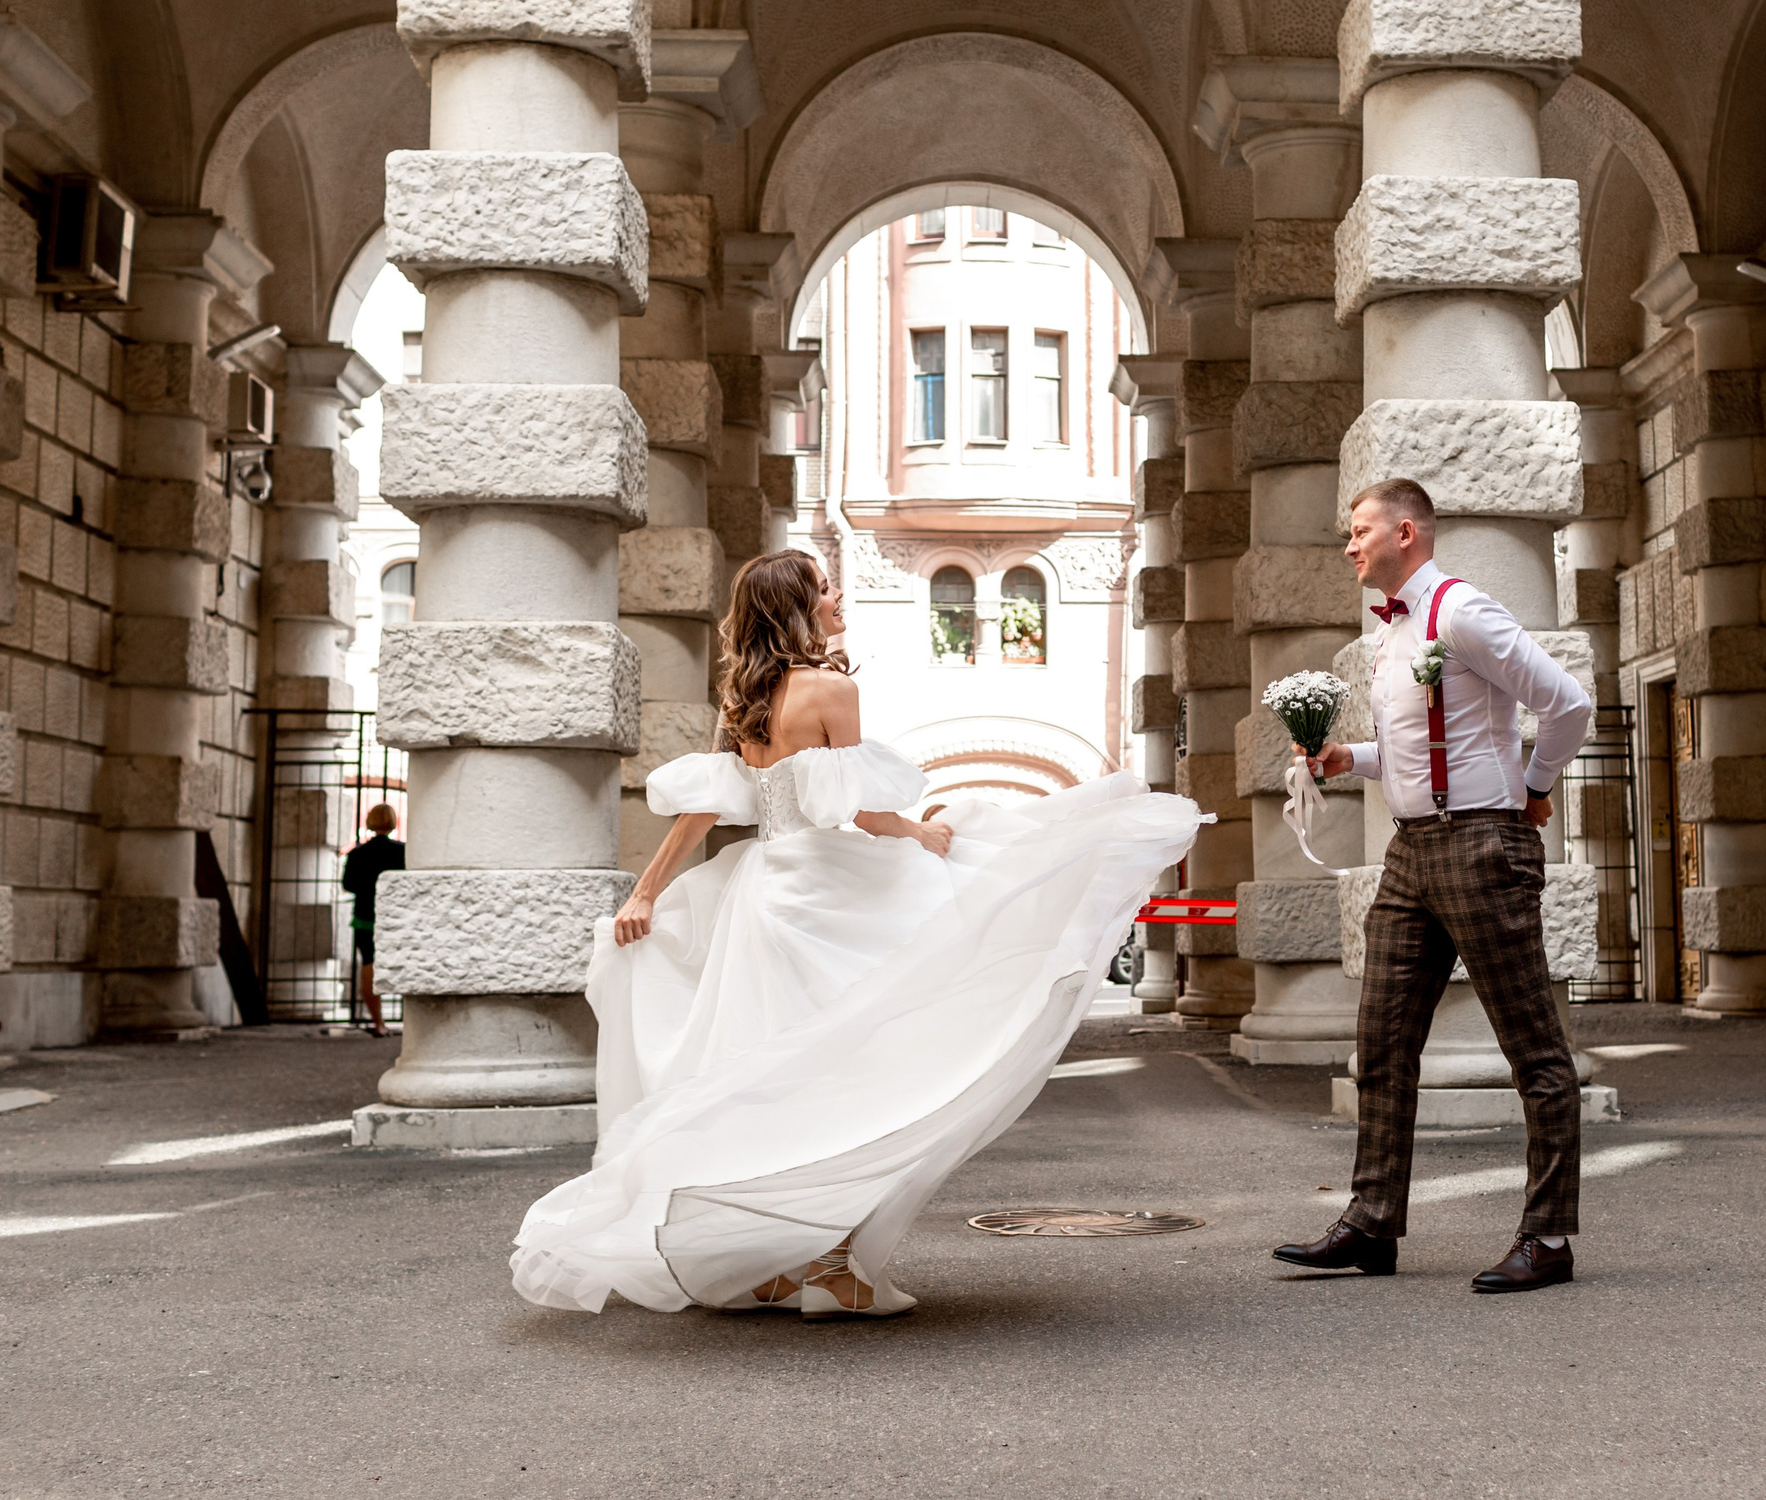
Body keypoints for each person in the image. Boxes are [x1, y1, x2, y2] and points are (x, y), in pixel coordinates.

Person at [511, 549, 1202, 1318]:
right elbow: (860, 811)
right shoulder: (830, 688)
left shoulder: (746, 696)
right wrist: (920, 833)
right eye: (823, 588)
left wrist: (644, 893)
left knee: (785, 1082)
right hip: (825, 890)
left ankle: (779, 1263)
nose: (837, 596)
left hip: (762, 894)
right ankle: (834, 1266)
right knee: (868, 1068)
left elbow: (702, 810)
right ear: (799, 607)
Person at [1276, 477, 1594, 1293]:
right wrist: (1352, 758)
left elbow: (1568, 702)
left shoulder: (1460, 611)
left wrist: (1534, 786)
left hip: (1484, 844)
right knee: (1381, 1043)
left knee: (1534, 1050)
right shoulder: (1392, 632)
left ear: (1406, 532)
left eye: (1360, 530)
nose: (1350, 544)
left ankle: (1549, 1237)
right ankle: (1372, 1220)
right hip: (1411, 851)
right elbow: (1423, 745)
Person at [339, 804, 402, 1037]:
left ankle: (378, 1022)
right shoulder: (403, 851)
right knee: (404, 964)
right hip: (396, 918)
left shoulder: (358, 853)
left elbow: (348, 885)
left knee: (369, 964)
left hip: (366, 917)